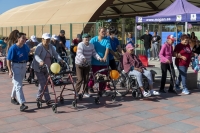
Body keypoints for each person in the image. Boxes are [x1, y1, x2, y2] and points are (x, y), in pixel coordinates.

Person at [32, 33, 64, 105]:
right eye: (46, 40)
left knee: (43, 83)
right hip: (38, 68)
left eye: (48, 40)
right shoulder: (39, 47)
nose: (47, 41)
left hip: (47, 68)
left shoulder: (50, 46)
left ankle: (38, 97)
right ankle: (48, 99)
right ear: (42, 39)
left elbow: (55, 54)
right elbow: (36, 55)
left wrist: (60, 59)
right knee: (44, 83)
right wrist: (40, 61)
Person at [7, 32, 30, 111]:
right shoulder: (13, 48)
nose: (24, 40)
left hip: (24, 65)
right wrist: (10, 70)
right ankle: (22, 104)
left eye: (25, 38)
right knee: (19, 85)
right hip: (16, 65)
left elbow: (28, 52)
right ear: (18, 38)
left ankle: (12, 97)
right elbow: (8, 59)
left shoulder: (25, 46)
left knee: (18, 83)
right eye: (22, 38)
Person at [88, 27, 111, 93]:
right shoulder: (93, 40)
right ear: (99, 32)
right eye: (102, 31)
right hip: (95, 62)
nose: (104, 33)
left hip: (104, 62)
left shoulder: (107, 40)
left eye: (105, 31)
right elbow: (90, 48)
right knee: (95, 75)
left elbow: (107, 49)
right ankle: (90, 86)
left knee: (104, 76)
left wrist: (104, 57)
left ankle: (101, 89)